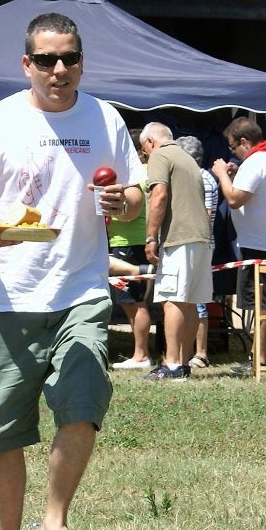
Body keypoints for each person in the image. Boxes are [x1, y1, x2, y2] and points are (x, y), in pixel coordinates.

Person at [0, 11, 145, 530]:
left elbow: (132, 194)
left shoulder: (105, 118)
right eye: (48, 60)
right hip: (11, 298)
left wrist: (121, 205)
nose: (60, 70)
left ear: (82, 61)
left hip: (81, 286)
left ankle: (53, 524)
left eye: (71, 58)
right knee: (3, 425)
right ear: (26, 64)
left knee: (84, 400)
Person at [211, 116, 266, 370]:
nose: (232, 152)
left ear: (244, 142)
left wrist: (222, 174)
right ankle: (260, 355)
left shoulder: (256, 163)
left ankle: (260, 359)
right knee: (265, 304)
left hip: (261, 244)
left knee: (263, 303)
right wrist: (238, 171)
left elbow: (235, 199)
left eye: (233, 147)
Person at [140, 122, 213, 380]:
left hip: (179, 236)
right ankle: (182, 362)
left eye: (143, 151)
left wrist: (151, 237)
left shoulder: (160, 155)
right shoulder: (187, 157)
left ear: (149, 141)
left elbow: (159, 195)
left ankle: (171, 364)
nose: (146, 156)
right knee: (190, 301)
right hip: (202, 237)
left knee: (171, 300)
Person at [107, 128, 154, 371]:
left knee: (134, 303)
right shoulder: (147, 174)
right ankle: (141, 353)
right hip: (130, 242)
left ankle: (141, 354)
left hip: (127, 243)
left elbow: (126, 211)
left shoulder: (134, 179)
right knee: (131, 302)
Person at [176, 134, 217, 368]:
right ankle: (188, 351)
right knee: (192, 300)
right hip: (199, 243)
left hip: (200, 245)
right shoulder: (200, 177)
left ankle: (200, 353)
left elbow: (207, 213)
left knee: (197, 301)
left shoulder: (202, 179)